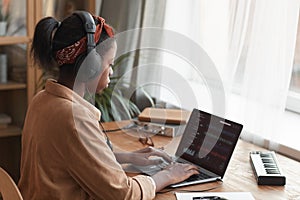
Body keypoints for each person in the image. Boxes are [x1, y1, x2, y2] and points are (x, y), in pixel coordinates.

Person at [18, 11, 199, 200]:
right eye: (109, 63)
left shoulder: (42, 100)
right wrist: (168, 176)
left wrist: (128, 157)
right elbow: (124, 194)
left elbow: (74, 157)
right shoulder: (73, 117)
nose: (111, 71)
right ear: (90, 66)